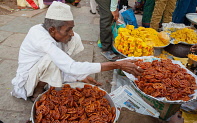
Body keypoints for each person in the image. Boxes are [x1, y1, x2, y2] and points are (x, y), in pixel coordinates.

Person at [11, 1, 143, 102]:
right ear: (52, 30)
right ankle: (36, 91)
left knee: (75, 39)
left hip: (45, 67)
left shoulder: (52, 33)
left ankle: (52, 81)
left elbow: (66, 63)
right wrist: (116, 64)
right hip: (28, 79)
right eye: (67, 30)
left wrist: (79, 76)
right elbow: (68, 65)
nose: (71, 33)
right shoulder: (40, 37)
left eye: (71, 28)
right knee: (52, 60)